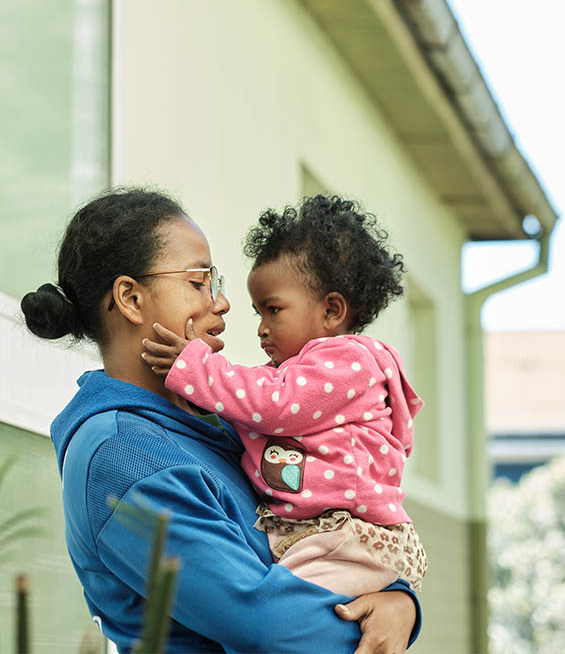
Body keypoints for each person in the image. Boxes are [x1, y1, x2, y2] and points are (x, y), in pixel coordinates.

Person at [21, 187, 421, 653]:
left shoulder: (213, 422)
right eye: (197, 283)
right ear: (130, 298)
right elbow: (263, 624)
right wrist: (391, 616)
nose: (222, 303)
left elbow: (326, 533)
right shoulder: (122, 455)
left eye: (216, 283)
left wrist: (398, 601)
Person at [141, 195, 427, 598]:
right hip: (324, 538)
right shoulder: (304, 372)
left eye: (272, 310)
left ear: (331, 311)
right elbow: (249, 398)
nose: (261, 328)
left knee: (283, 615)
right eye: (259, 313)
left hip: (345, 538)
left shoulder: (348, 362)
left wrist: (194, 367)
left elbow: (269, 404)